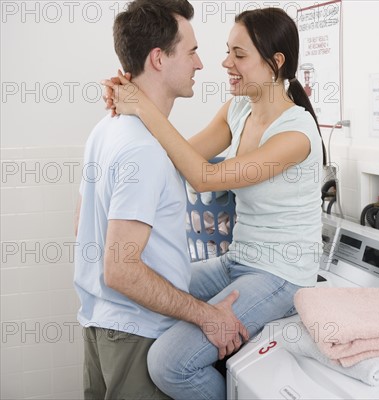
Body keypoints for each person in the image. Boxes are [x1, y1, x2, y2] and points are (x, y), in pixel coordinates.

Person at [103, 7, 326, 399]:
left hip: (281, 275)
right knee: (154, 284)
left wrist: (143, 106)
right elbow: (181, 155)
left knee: (168, 364)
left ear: (276, 63)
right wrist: (130, 104)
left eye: (239, 55)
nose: (225, 63)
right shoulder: (238, 109)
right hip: (237, 261)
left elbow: (204, 176)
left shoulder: (297, 133)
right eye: (228, 52)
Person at [75, 1, 248, 398]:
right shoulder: (143, 150)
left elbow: (84, 229)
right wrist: (206, 315)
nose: (202, 64)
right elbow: (120, 269)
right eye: (191, 52)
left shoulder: (106, 129)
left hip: (100, 329)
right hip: (137, 338)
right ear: (158, 59)